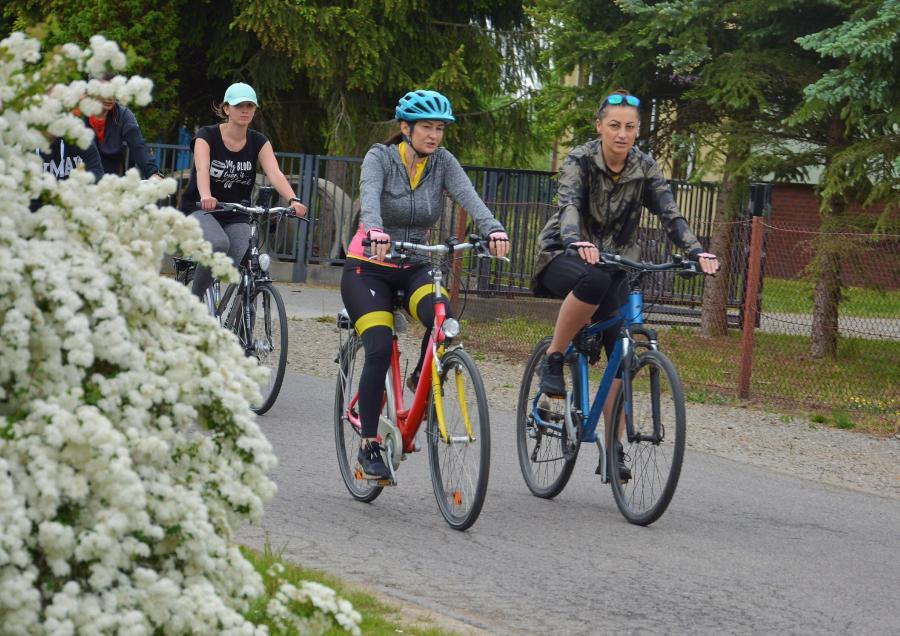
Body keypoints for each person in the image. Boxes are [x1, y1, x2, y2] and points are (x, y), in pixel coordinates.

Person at [532, 90, 719, 475]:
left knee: (621, 349)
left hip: (616, 263)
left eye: (630, 127)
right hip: (564, 255)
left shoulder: (644, 166)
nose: (622, 134)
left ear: (637, 131)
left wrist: (697, 250)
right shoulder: (580, 160)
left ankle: (613, 447)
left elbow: (670, 214)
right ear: (600, 126)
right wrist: (575, 240)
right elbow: (569, 204)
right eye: (615, 125)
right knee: (594, 280)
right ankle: (554, 356)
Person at [343, 89, 509, 480]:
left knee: (444, 322)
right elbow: (370, 198)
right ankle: (369, 444)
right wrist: (374, 229)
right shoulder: (380, 157)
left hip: (415, 264)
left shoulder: (443, 162)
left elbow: (469, 196)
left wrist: (493, 229)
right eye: (426, 128)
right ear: (406, 128)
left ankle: (422, 375)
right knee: (378, 346)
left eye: (440, 128)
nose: (434, 135)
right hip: (369, 267)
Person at [180, 82, 307, 299]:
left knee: (240, 252)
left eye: (250, 106)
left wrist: (293, 199)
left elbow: (274, 173)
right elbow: (202, 168)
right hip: (202, 208)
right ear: (226, 109)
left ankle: (238, 314)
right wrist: (206, 196)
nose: (245, 110)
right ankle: (195, 301)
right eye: (239, 105)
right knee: (219, 244)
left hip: (236, 211)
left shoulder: (258, 141)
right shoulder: (207, 135)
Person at [87, 92, 164, 179]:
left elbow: (138, 145)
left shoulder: (124, 115)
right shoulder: (80, 113)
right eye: (106, 91)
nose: (111, 97)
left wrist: (154, 172)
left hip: (109, 178)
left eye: (114, 91)